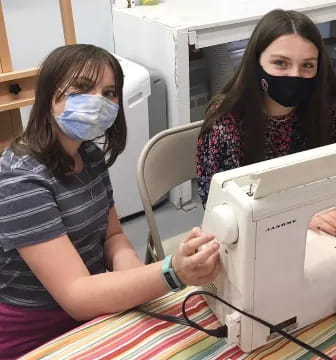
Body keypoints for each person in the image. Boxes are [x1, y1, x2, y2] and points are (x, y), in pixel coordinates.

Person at [0, 44, 220, 359]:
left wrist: (130, 276)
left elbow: (112, 235)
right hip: (35, 335)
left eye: (109, 92)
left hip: (92, 311)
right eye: (82, 88)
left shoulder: (87, 155)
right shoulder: (20, 179)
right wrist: (171, 272)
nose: (98, 101)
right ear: (50, 95)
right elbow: (76, 295)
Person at [196, 10, 336, 273]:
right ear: (256, 64)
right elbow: (221, 212)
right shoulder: (227, 123)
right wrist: (303, 215)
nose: (295, 75)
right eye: (281, 63)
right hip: (265, 251)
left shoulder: (334, 110)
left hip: (329, 244)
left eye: (307, 65)